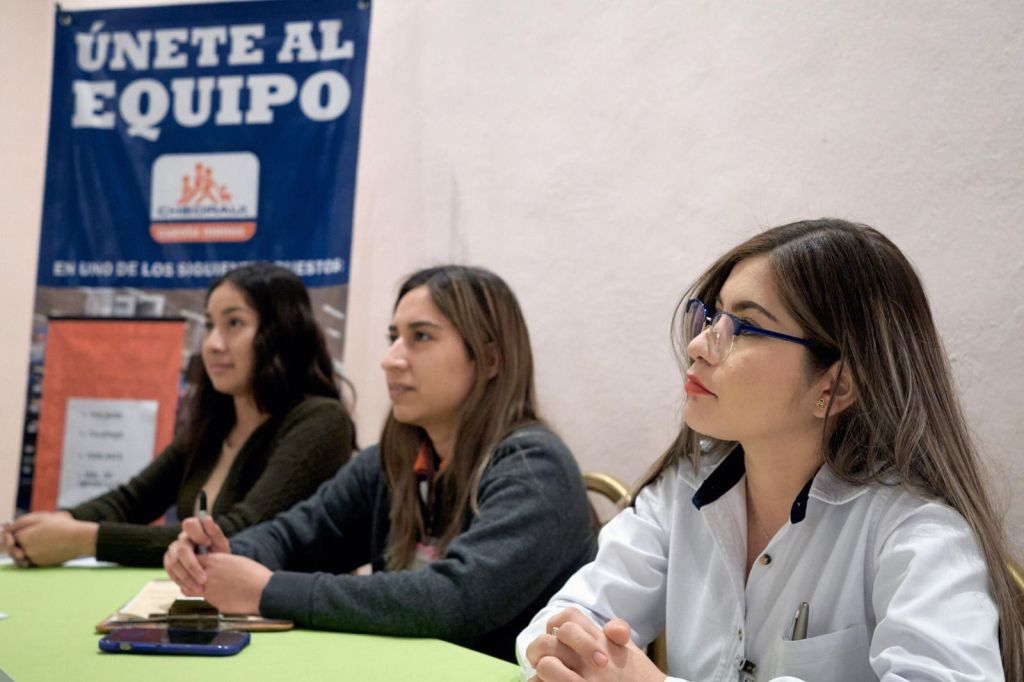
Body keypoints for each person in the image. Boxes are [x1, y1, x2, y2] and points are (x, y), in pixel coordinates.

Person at [518, 219, 1023, 681]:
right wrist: (566, 650)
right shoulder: (686, 486)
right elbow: (570, 616)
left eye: (744, 327)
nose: (698, 346)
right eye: (712, 316)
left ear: (837, 385)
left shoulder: (918, 533)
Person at [163, 264, 595, 661]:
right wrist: (224, 555)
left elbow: (452, 600)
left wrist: (267, 590)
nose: (391, 360)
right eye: (394, 338)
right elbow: (295, 535)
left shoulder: (535, 467)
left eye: (420, 337)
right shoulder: (392, 460)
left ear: (490, 359)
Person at [3, 263, 356, 568]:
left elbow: (237, 534)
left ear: (281, 333)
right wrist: (50, 526)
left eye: (234, 323)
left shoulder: (322, 421)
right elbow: (132, 501)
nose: (213, 344)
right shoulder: (215, 423)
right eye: (210, 325)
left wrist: (84, 539)